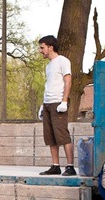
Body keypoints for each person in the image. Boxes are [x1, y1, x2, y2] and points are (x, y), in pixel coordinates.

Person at [37, 35, 76, 176]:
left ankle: (70, 166)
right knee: (50, 136)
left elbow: (68, 81)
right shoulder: (48, 66)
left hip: (58, 103)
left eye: (42, 47)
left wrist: (64, 101)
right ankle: (55, 165)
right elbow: (49, 85)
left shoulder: (63, 61)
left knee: (62, 134)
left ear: (50, 47)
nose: (40, 50)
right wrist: (43, 104)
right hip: (48, 103)